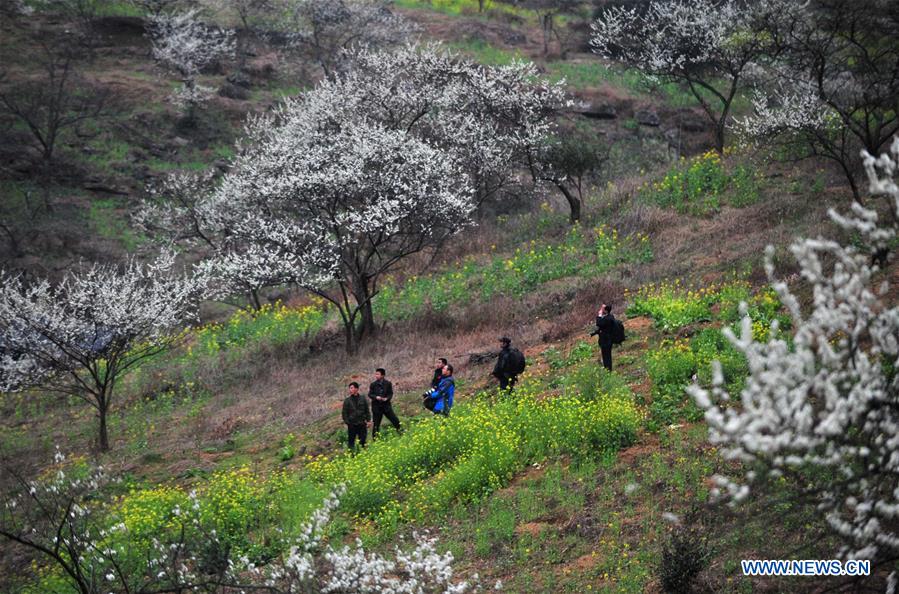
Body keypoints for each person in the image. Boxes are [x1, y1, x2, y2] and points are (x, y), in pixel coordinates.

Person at [369, 368, 401, 438]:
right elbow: (370, 394)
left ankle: (401, 432)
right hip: (376, 407)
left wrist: (386, 398)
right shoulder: (373, 384)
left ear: (383, 375)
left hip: (386, 406)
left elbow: (390, 393)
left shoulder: (388, 383)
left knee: (395, 420)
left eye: (378, 374)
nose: (376, 375)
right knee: (376, 425)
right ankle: (375, 439)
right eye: (376, 374)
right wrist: (376, 397)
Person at [342, 382, 371, 453]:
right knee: (351, 441)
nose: (350, 390)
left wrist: (369, 420)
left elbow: (367, 410)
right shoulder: (347, 400)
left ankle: (364, 454)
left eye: (352, 388)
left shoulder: (363, 398)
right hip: (352, 424)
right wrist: (348, 422)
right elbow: (344, 413)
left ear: (356, 389)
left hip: (362, 423)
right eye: (349, 388)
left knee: (363, 441)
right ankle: (351, 455)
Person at [591, 303, 616, 371]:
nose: (601, 310)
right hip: (608, 339)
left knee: (606, 355)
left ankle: (608, 369)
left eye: (602, 308)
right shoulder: (610, 316)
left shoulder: (607, 318)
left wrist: (599, 314)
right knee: (607, 355)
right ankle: (608, 368)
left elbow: (599, 323)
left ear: (605, 310)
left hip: (606, 340)